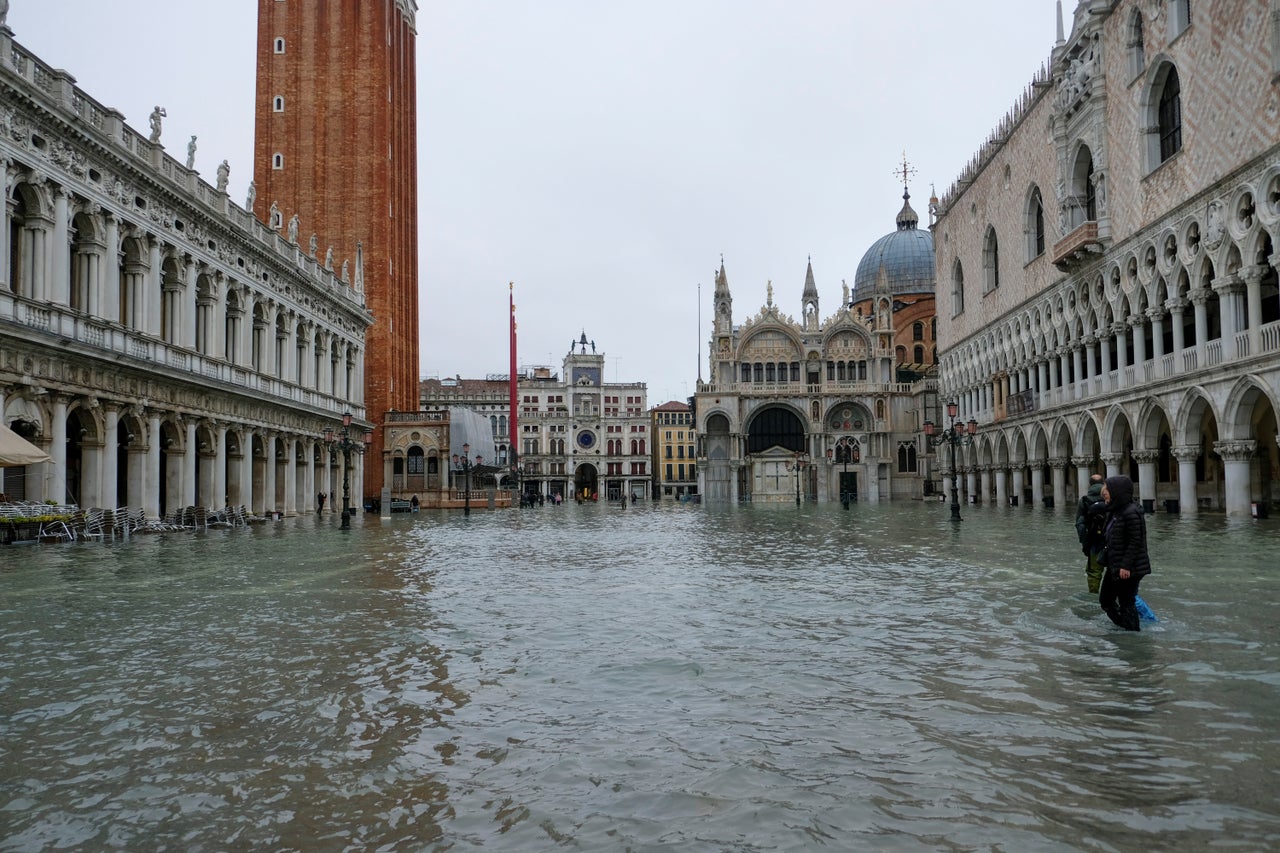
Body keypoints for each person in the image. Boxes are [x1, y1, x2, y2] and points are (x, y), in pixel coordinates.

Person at [1098, 475, 1151, 631]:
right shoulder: (1116, 510)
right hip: (1115, 564)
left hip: (1128, 568)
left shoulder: (1131, 512)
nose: (1104, 492)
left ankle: (1131, 632)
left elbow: (1136, 541)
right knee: (1106, 600)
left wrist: (1126, 566)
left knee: (1126, 601)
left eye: (1107, 489)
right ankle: (1124, 626)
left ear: (1116, 491)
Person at [1075, 473, 1107, 593]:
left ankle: (1094, 595)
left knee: (1094, 572)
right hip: (1112, 540)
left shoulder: (1084, 500)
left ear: (1090, 484)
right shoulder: (1110, 498)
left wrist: (1085, 543)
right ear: (1103, 483)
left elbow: (1080, 525)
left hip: (1094, 541)